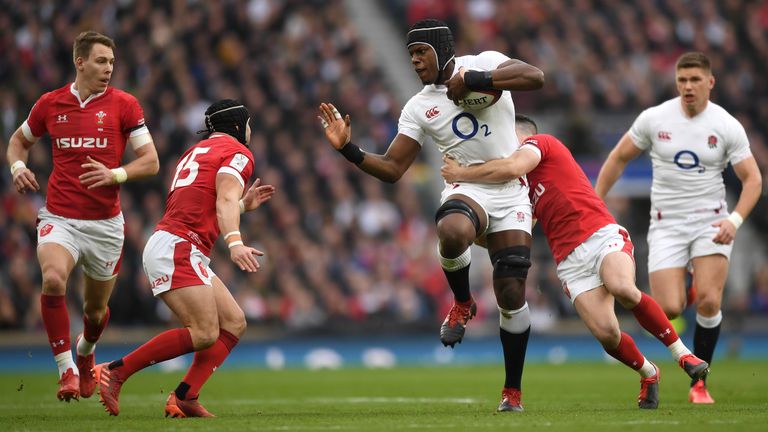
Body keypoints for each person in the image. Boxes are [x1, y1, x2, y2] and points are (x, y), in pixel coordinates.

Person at [318, 18, 544, 412]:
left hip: (510, 192)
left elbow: (535, 76)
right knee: (452, 229)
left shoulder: (484, 61)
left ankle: (512, 391)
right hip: (465, 185)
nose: (415, 61)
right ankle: (461, 302)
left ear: (441, 49)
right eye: (410, 55)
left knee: (511, 295)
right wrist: (347, 150)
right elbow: (391, 169)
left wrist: (476, 77)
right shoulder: (419, 106)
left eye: (421, 52)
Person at [441, 115, 711, 409]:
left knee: (622, 287)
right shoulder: (517, 189)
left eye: (509, 139)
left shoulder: (541, 144)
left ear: (522, 136)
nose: (504, 146)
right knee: (607, 335)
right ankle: (649, 372)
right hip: (570, 262)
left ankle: (683, 355)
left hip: (600, 234)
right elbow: (519, 229)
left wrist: (462, 173)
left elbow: (514, 164)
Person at [594, 52, 763, 404]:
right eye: (682, 80)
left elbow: (753, 180)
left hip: (710, 221)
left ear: (710, 83)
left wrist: (734, 220)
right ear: (676, 82)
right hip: (666, 224)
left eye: (695, 80)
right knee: (669, 308)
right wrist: (595, 202)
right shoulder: (654, 119)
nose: (688, 86)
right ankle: (687, 288)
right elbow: (618, 158)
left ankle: (699, 384)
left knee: (710, 299)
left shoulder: (726, 125)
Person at [93, 99, 275, 417]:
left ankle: (185, 396)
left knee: (234, 321)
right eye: (248, 123)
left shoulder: (195, 151)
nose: (250, 131)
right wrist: (235, 242)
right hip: (179, 247)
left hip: (177, 245)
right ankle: (116, 370)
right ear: (237, 125)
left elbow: (206, 204)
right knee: (205, 332)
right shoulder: (238, 153)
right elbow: (225, 198)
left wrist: (242, 207)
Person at [6, 31, 160, 402]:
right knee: (54, 279)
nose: (109, 68)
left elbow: (151, 162)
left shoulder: (125, 105)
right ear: (80, 61)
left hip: (106, 225)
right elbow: (17, 142)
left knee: (95, 311)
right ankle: (66, 371)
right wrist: (17, 168)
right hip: (60, 217)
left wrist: (116, 174)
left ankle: (86, 352)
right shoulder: (50, 104)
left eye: (111, 62)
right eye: (101, 61)